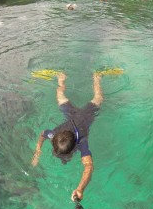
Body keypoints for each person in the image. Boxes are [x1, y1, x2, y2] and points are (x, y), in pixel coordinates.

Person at [31, 72, 104, 201]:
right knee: (60, 97)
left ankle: (96, 78)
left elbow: (89, 166)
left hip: (85, 117)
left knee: (98, 98)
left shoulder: (82, 141)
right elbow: (42, 134)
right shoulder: (53, 135)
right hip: (71, 115)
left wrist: (80, 189)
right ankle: (61, 78)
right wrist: (37, 152)